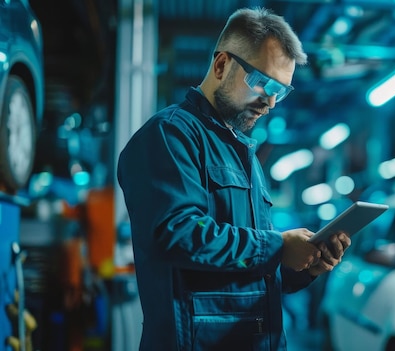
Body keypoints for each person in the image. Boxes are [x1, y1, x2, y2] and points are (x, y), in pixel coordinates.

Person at [116, 7, 351, 351]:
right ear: (222, 64)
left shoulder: (245, 157)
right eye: (262, 82)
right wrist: (277, 246)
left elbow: (251, 271)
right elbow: (177, 235)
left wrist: (308, 264)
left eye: (281, 91)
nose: (270, 101)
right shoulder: (169, 136)